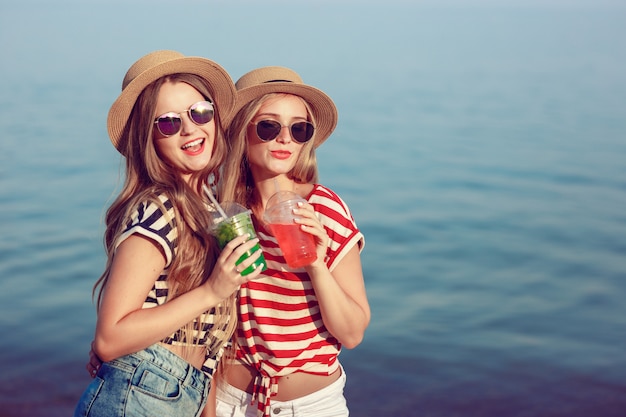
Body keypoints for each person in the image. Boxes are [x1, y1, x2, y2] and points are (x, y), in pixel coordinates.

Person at [74, 50, 264, 417]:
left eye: (199, 112)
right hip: (140, 395)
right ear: (151, 140)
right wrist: (213, 290)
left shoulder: (208, 210)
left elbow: (198, 340)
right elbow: (110, 338)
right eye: (168, 123)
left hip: (179, 394)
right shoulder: (158, 209)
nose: (191, 129)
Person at [213, 66, 371, 417]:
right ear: (242, 132)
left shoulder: (323, 209)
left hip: (310, 407)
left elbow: (353, 332)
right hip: (229, 402)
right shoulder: (224, 217)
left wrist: (316, 264)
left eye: (299, 129)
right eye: (269, 126)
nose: (285, 139)